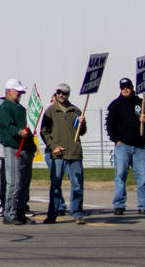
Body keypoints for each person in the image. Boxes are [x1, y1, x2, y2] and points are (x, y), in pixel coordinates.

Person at [106, 77, 145, 216]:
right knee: (120, 176)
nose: (125, 89)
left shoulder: (140, 103)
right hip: (123, 146)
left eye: (127, 87)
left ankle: (144, 205)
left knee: (142, 177)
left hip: (139, 146)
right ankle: (119, 205)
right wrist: (116, 140)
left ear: (132, 87)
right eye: (123, 87)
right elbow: (109, 124)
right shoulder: (115, 105)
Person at [40, 83, 87, 224]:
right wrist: (53, 146)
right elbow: (44, 131)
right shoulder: (50, 111)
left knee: (77, 184)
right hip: (58, 154)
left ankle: (77, 213)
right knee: (55, 184)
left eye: (64, 93)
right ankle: (52, 214)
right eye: (59, 92)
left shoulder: (76, 111)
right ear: (56, 93)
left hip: (74, 153)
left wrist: (82, 123)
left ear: (68, 95)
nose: (61, 95)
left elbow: (82, 132)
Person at [0, 78, 36, 225]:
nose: (20, 94)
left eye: (21, 92)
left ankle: (20, 213)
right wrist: (19, 132)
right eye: (17, 91)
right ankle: (10, 214)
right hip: (14, 148)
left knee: (24, 183)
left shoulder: (20, 108)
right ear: (9, 91)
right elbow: (7, 126)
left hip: (26, 148)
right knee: (14, 182)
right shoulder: (5, 107)